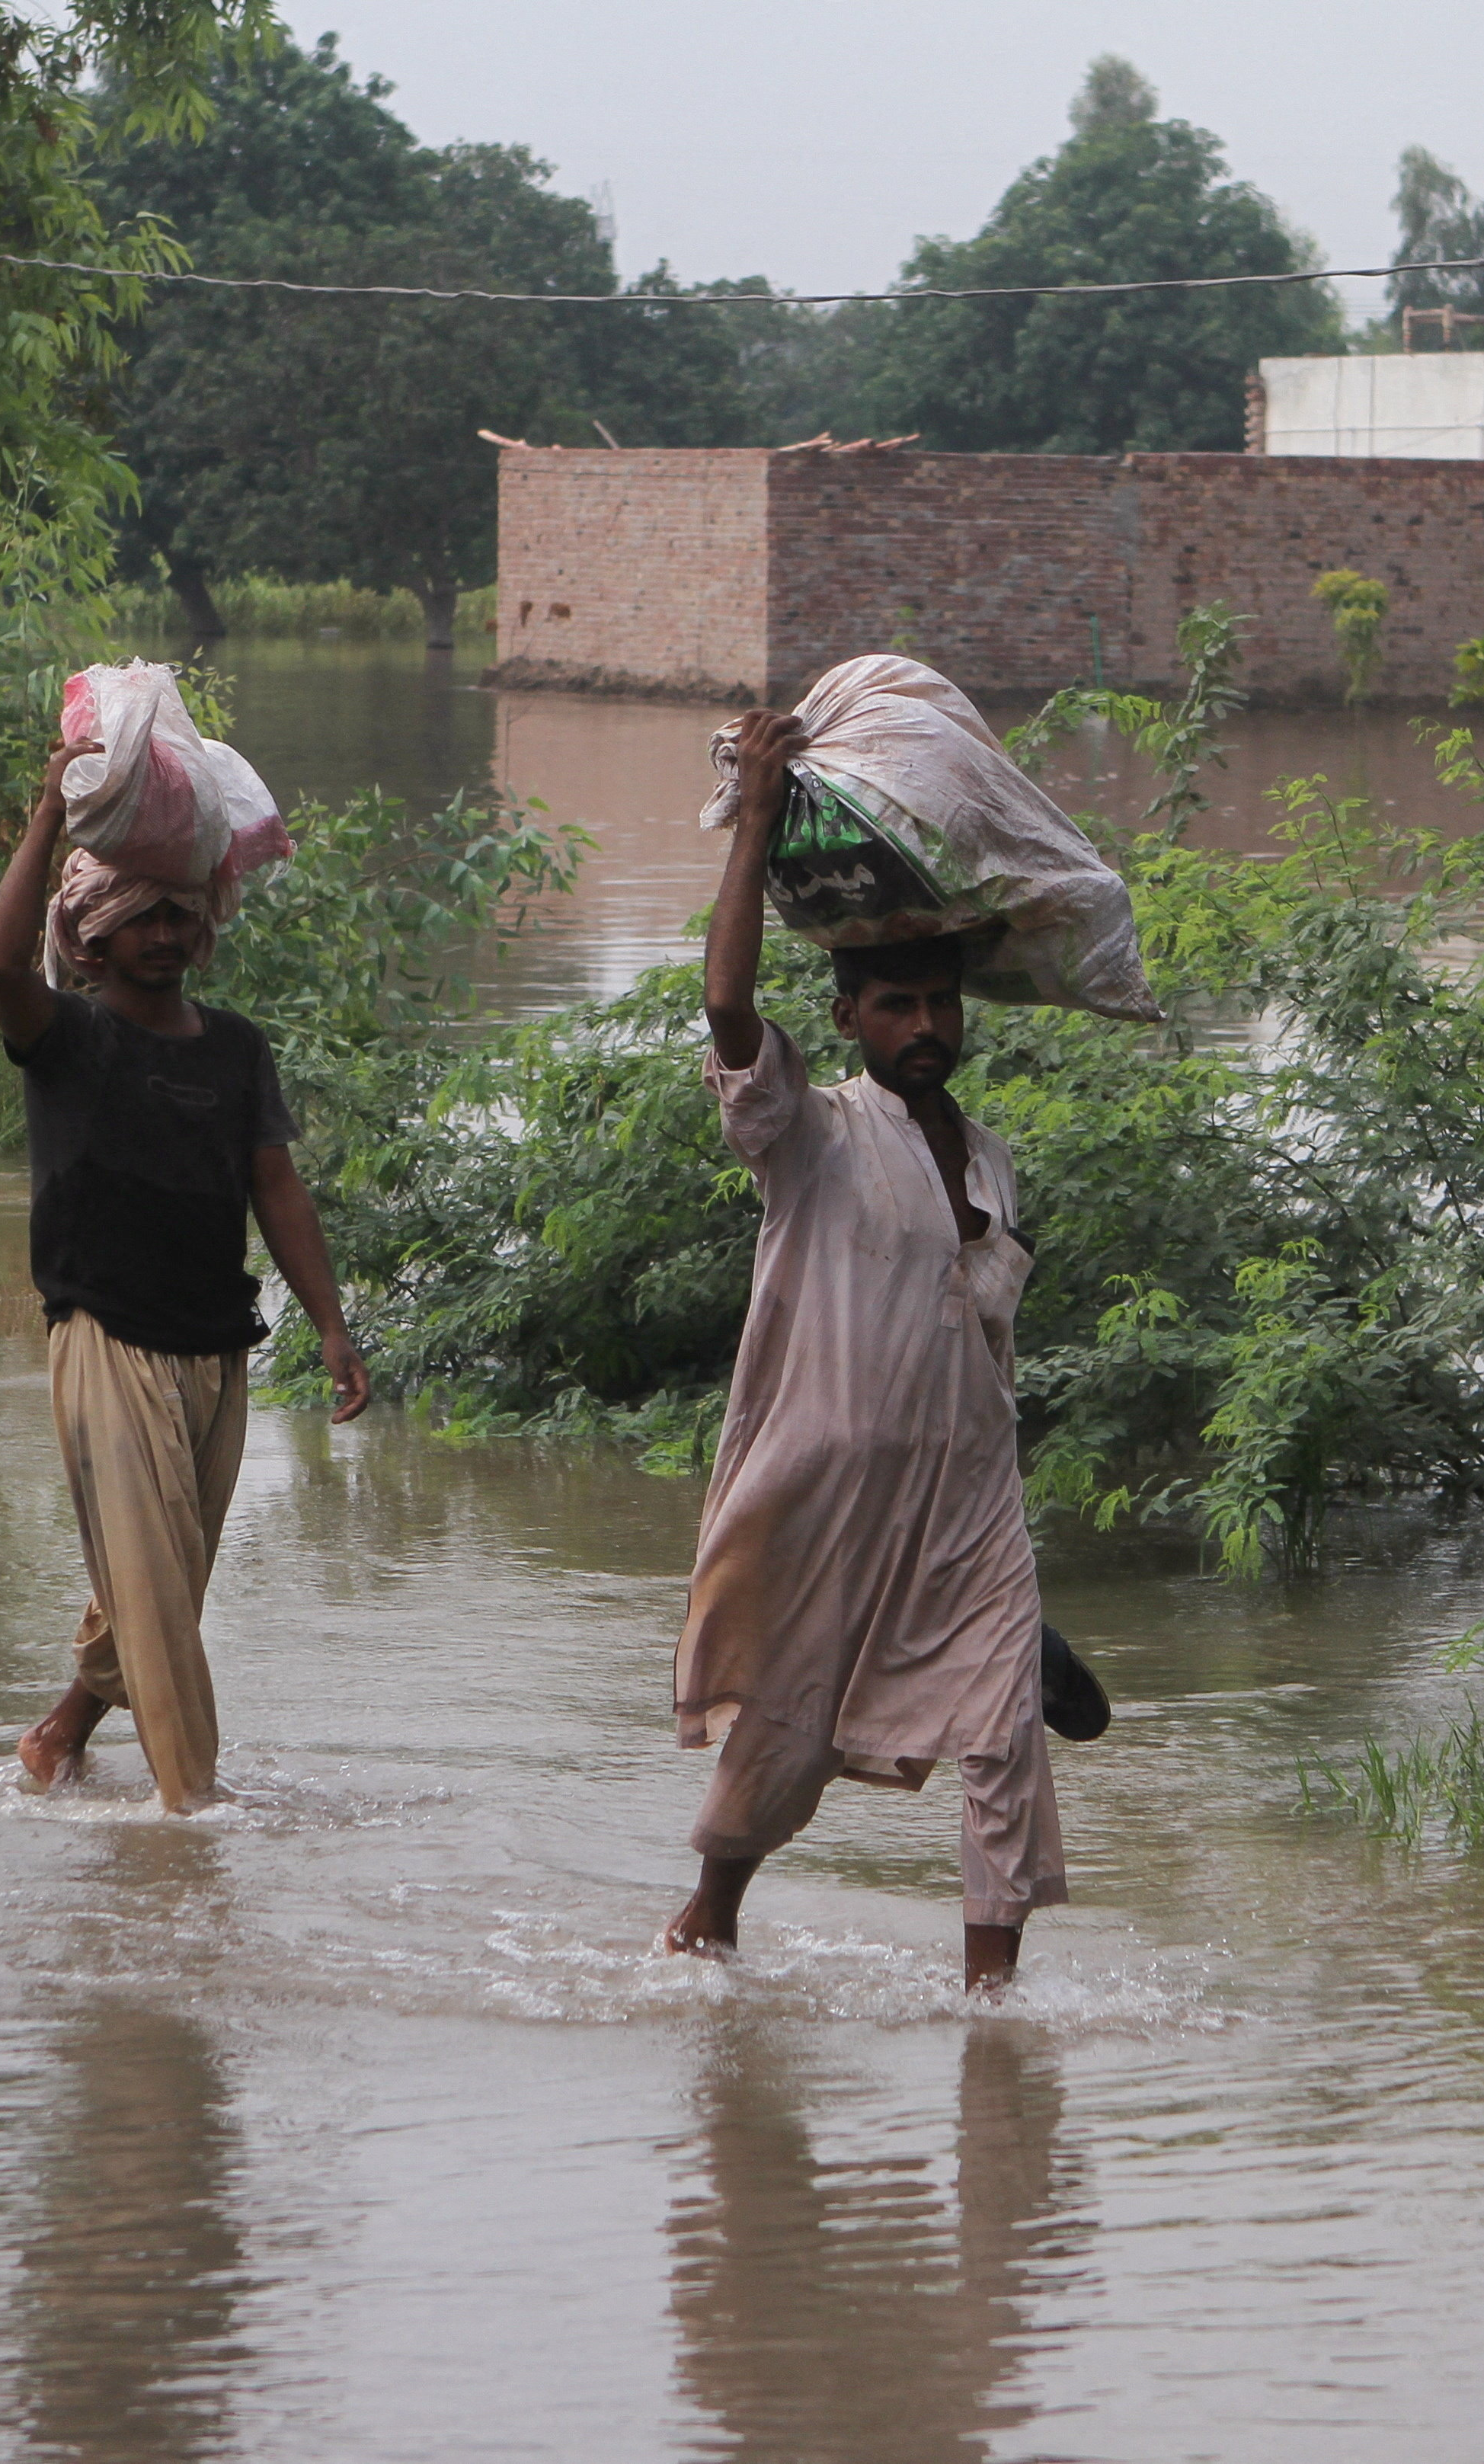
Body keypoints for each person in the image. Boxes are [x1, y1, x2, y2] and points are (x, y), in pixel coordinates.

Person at [660, 709, 1063, 1992]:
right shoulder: (813, 1134)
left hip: (968, 1501)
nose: (927, 1020)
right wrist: (764, 820)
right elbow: (728, 1003)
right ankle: (710, 1913)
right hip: (824, 1492)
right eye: (898, 1001)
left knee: (1005, 1738)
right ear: (848, 1016)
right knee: (783, 1741)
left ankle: (992, 2003)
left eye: (944, 999)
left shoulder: (990, 1158)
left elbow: (986, 1346)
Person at [0, 732, 371, 1813]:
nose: (164, 934)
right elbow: (1, 965)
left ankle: (59, 1734)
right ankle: (192, 1813)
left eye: (178, 917)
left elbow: (278, 1191)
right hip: (106, 1338)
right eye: (139, 918)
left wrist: (333, 1326)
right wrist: (47, 814)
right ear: (93, 943)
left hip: (216, 1348)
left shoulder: (236, 1050)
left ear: (205, 932)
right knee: (153, 1591)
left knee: (161, 1590)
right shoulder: (68, 1040)